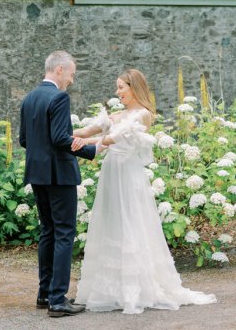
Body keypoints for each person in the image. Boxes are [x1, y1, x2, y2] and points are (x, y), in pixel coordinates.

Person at [71, 69, 217, 314]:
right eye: (117, 88)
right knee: (111, 222)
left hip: (128, 174)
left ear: (134, 87)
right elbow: (87, 131)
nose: (117, 93)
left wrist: (85, 143)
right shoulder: (117, 114)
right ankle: (110, 288)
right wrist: (59, 135)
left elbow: (112, 139)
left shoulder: (143, 115)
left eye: (121, 87)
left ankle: (135, 288)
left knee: (131, 222)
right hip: (111, 172)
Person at [19, 50, 101, 318]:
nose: (71, 80)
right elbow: (60, 138)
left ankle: (45, 293)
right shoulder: (59, 97)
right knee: (65, 233)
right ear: (59, 70)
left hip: (37, 175)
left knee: (48, 232)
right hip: (59, 175)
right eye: (71, 74)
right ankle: (58, 300)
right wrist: (92, 150)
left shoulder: (29, 98)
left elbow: (23, 140)